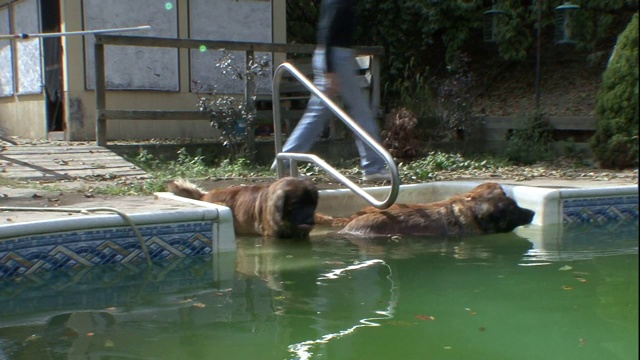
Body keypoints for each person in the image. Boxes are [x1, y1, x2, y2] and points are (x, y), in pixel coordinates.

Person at [272, 0, 391, 182]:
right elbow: (327, 30)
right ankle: (373, 167)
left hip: (331, 56)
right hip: (336, 58)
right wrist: (330, 71)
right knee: (361, 114)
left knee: (317, 114)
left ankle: (286, 161)